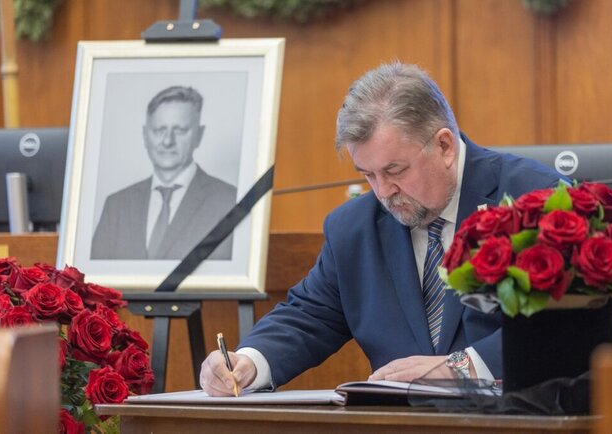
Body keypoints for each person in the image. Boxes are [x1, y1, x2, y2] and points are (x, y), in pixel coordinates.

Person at [200, 62, 567, 396]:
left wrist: (461, 367)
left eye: (394, 171)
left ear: (444, 146)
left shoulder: (536, 200)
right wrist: (249, 361)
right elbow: (310, 314)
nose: (382, 192)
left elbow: (567, 326)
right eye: (368, 175)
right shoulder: (353, 227)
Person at [91, 85, 237, 260]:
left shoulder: (229, 202)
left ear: (199, 135)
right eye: (159, 130)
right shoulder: (116, 206)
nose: (168, 141)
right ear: (145, 135)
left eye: (180, 130)